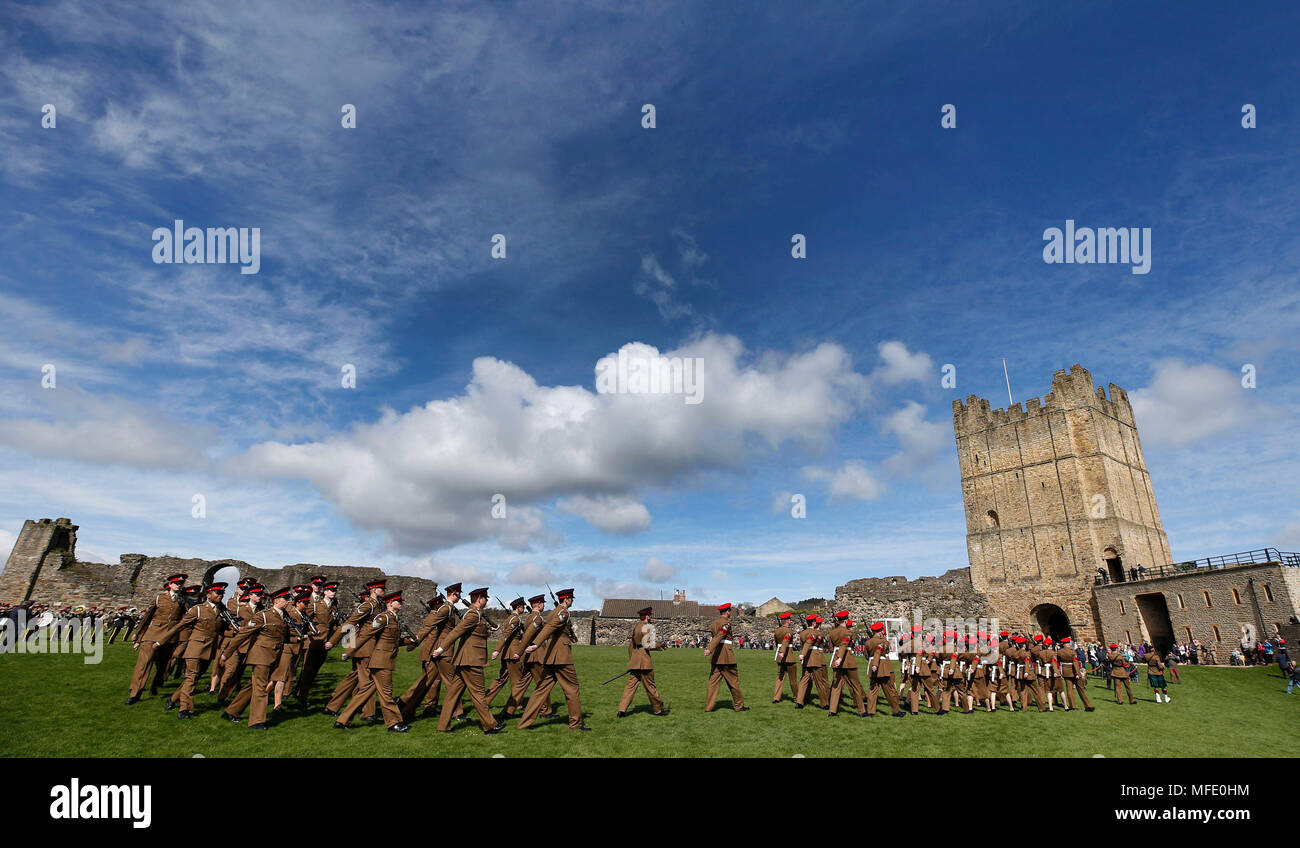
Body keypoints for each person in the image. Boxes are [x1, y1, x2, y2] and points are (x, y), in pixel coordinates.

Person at [334, 590, 415, 732]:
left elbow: (392, 641)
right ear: (390, 603)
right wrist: (349, 651)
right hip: (381, 661)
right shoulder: (383, 618)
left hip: (384, 659)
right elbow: (365, 635)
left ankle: (342, 721)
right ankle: (393, 723)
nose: (401, 603)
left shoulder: (394, 618)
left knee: (364, 693)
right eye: (399, 601)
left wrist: (410, 640)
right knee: (386, 694)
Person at [430, 587, 505, 734]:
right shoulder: (473, 614)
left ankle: (443, 725)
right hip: (472, 660)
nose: (486, 601)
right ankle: (490, 725)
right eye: (485, 598)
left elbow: (475, 632)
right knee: (478, 694)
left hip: (466, 659)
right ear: (479, 599)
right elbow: (456, 632)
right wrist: (441, 649)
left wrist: (489, 630)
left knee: (452, 694)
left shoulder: (476, 614)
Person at [222, 587, 293, 729]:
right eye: (285, 599)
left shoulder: (284, 616)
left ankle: (232, 711)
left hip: (274, 655)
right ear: (277, 601)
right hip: (261, 655)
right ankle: (257, 721)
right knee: (260, 688)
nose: (288, 602)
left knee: (253, 685)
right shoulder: (264, 615)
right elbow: (244, 634)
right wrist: (227, 652)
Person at [518, 588, 589, 730]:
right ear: (566, 599)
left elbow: (553, 627)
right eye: (571, 599)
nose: (572, 601)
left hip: (550, 656)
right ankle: (575, 724)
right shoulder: (563, 612)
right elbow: (550, 627)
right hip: (562, 656)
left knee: (540, 690)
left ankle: (524, 723)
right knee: (572, 689)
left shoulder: (552, 613)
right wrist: (535, 644)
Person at [157, 582, 229, 718]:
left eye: (222, 593)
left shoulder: (221, 611)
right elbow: (180, 625)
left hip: (209, 650)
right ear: (208, 595)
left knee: (194, 679)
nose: (220, 595)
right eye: (218, 593)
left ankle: (172, 699)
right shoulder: (199, 609)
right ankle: (185, 709)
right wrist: (161, 641)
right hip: (195, 648)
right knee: (191, 677)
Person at [125, 573, 187, 704]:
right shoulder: (159, 598)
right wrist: (139, 636)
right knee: (143, 664)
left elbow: (184, 620)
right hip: (153, 634)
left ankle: (154, 686)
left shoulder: (182, 601)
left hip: (170, 638)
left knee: (162, 666)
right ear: (170, 585)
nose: (179, 585)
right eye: (176, 583)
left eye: (181, 584)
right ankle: (135, 693)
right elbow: (147, 617)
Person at [617, 606, 670, 718]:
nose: (651, 617)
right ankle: (658, 709)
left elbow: (631, 646)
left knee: (630, 687)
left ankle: (621, 710)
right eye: (650, 615)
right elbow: (648, 645)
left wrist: (632, 661)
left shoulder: (636, 627)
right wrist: (660, 645)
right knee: (650, 686)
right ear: (647, 616)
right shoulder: (647, 627)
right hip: (644, 662)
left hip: (635, 661)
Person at [485, 596, 529, 720]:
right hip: (513, 653)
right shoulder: (515, 620)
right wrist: (496, 650)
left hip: (507, 653)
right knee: (517, 681)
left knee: (501, 679)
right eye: (522, 607)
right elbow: (506, 635)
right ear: (518, 607)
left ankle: (485, 701)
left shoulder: (509, 618)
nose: (524, 609)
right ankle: (516, 705)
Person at [703, 603, 747, 712]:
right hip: (726, 655)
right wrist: (709, 648)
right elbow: (720, 635)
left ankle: (709, 707)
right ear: (727, 611)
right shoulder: (726, 623)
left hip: (716, 657)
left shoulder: (714, 623)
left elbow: (716, 635)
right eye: (729, 611)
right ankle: (739, 705)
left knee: (712, 683)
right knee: (733, 682)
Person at [825, 611, 866, 717]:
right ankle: (861, 710)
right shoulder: (848, 633)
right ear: (846, 620)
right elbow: (845, 645)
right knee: (856, 686)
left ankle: (832, 710)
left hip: (836, 659)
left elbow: (830, 648)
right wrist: (840, 658)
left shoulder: (832, 633)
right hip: (847, 660)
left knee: (836, 686)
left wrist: (837, 657)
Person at [864, 622, 903, 717]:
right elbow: (885, 650)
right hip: (883, 668)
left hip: (872, 665)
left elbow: (866, 655)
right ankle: (896, 711)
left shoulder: (868, 642)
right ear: (880, 631)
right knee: (889, 690)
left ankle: (870, 711)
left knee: (872, 690)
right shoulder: (883, 641)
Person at [795, 614, 829, 709]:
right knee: (819, 682)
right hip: (815, 658)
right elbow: (809, 643)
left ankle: (799, 701)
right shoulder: (815, 633)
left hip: (806, 660)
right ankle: (824, 703)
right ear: (814, 623)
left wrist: (803, 654)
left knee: (804, 681)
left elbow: (803, 644)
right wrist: (803, 654)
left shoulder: (802, 633)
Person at [772, 611, 799, 703]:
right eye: (789, 619)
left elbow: (777, 643)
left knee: (780, 678)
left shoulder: (777, 630)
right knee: (793, 680)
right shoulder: (789, 631)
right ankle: (796, 698)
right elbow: (786, 641)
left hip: (780, 655)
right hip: (788, 656)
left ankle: (776, 697)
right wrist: (783, 651)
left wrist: (780, 651)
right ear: (787, 621)